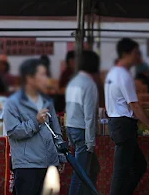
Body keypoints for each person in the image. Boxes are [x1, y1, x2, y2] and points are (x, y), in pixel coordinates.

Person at [105, 39, 149, 195]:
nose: (139, 56)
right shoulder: (123, 75)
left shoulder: (113, 73)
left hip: (117, 123)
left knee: (139, 165)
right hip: (123, 124)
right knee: (121, 172)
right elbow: (134, 105)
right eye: (136, 52)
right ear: (125, 53)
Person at [4, 58, 65, 195]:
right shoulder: (13, 103)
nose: (46, 79)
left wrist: (59, 156)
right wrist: (35, 121)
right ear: (29, 78)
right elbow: (13, 132)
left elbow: (56, 130)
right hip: (27, 165)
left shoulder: (46, 101)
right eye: (42, 74)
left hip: (49, 162)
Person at [66, 50, 101, 195]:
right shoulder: (89, 84)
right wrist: (91, 142)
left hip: (72, 127)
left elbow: (69, 108)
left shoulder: (73, 82)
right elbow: (90, 116)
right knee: (81, 174)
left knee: (92, 169)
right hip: (82, 130)